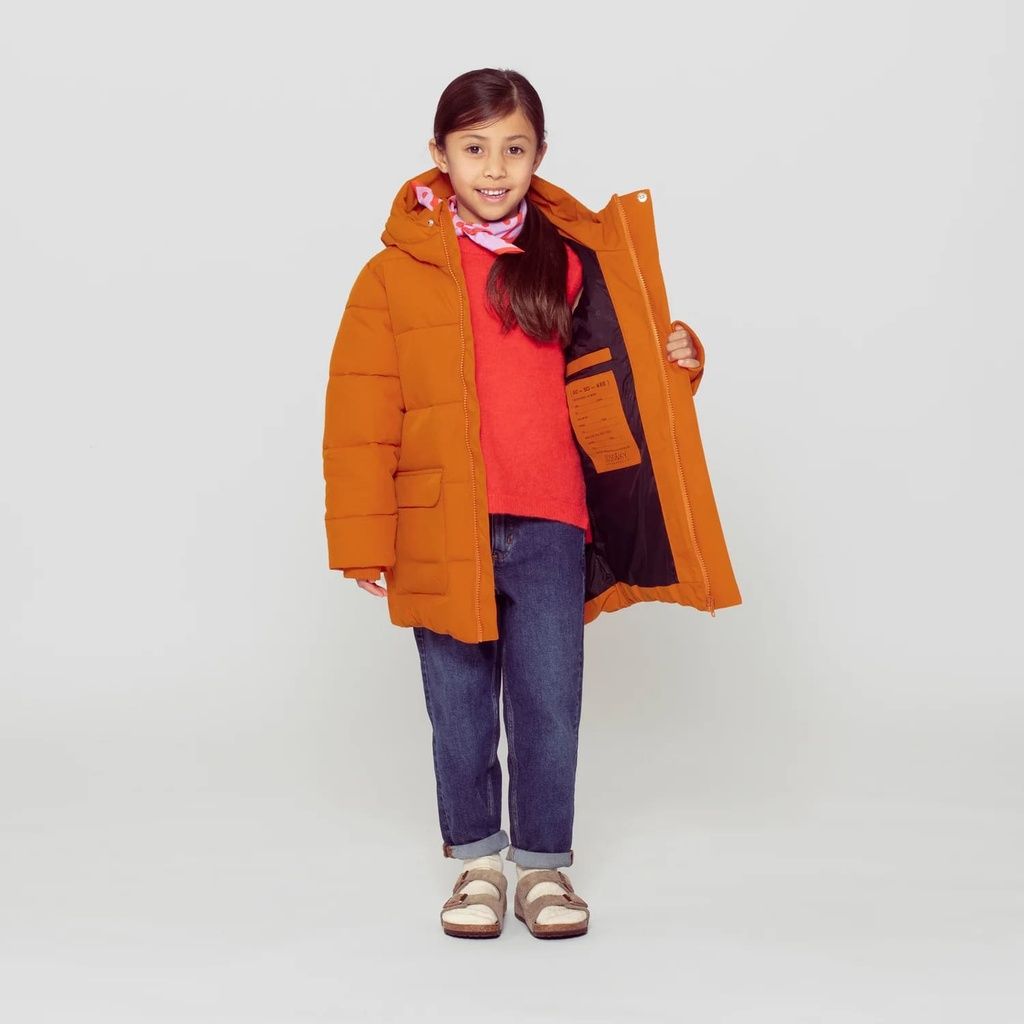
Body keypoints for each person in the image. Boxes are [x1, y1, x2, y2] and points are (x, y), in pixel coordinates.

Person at [322, 67, 740, 939]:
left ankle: (543, 867)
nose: (494, 167)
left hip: (552, 521)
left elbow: (620, 382)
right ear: (439, 154)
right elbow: (361, 414)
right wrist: (364, 537)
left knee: (548, 702)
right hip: (441, 524)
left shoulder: (572, 261)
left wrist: (680, 360)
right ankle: (477, 863)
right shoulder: (391, 277)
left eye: (514, 149)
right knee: (459, 707)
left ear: (539, 155)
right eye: (474, 148)